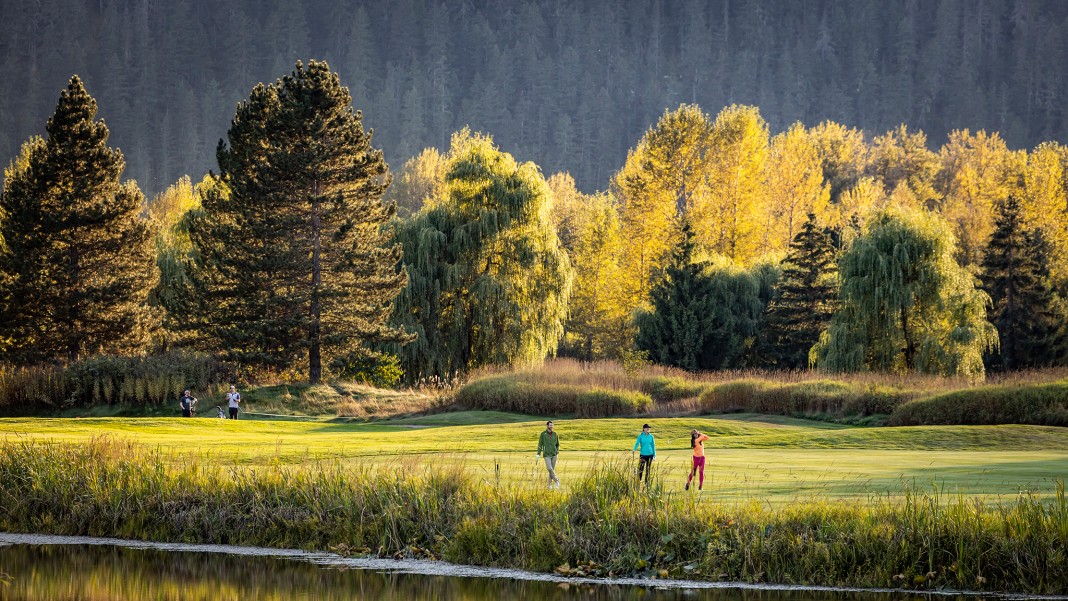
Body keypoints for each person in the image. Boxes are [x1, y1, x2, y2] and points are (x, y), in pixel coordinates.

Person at [536, 420, 561, 489]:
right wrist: (538, 454)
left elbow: (558, 444)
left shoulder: (555, 434)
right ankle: (557, 480)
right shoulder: (543, 434)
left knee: (552, 470)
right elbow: (540, 444)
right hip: (546, 455)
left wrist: (557, 450)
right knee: (549, 468)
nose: (551, 426)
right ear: (547, 426)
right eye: (550, 425)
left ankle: (549, 486)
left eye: (552, 425)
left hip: (554, 454)